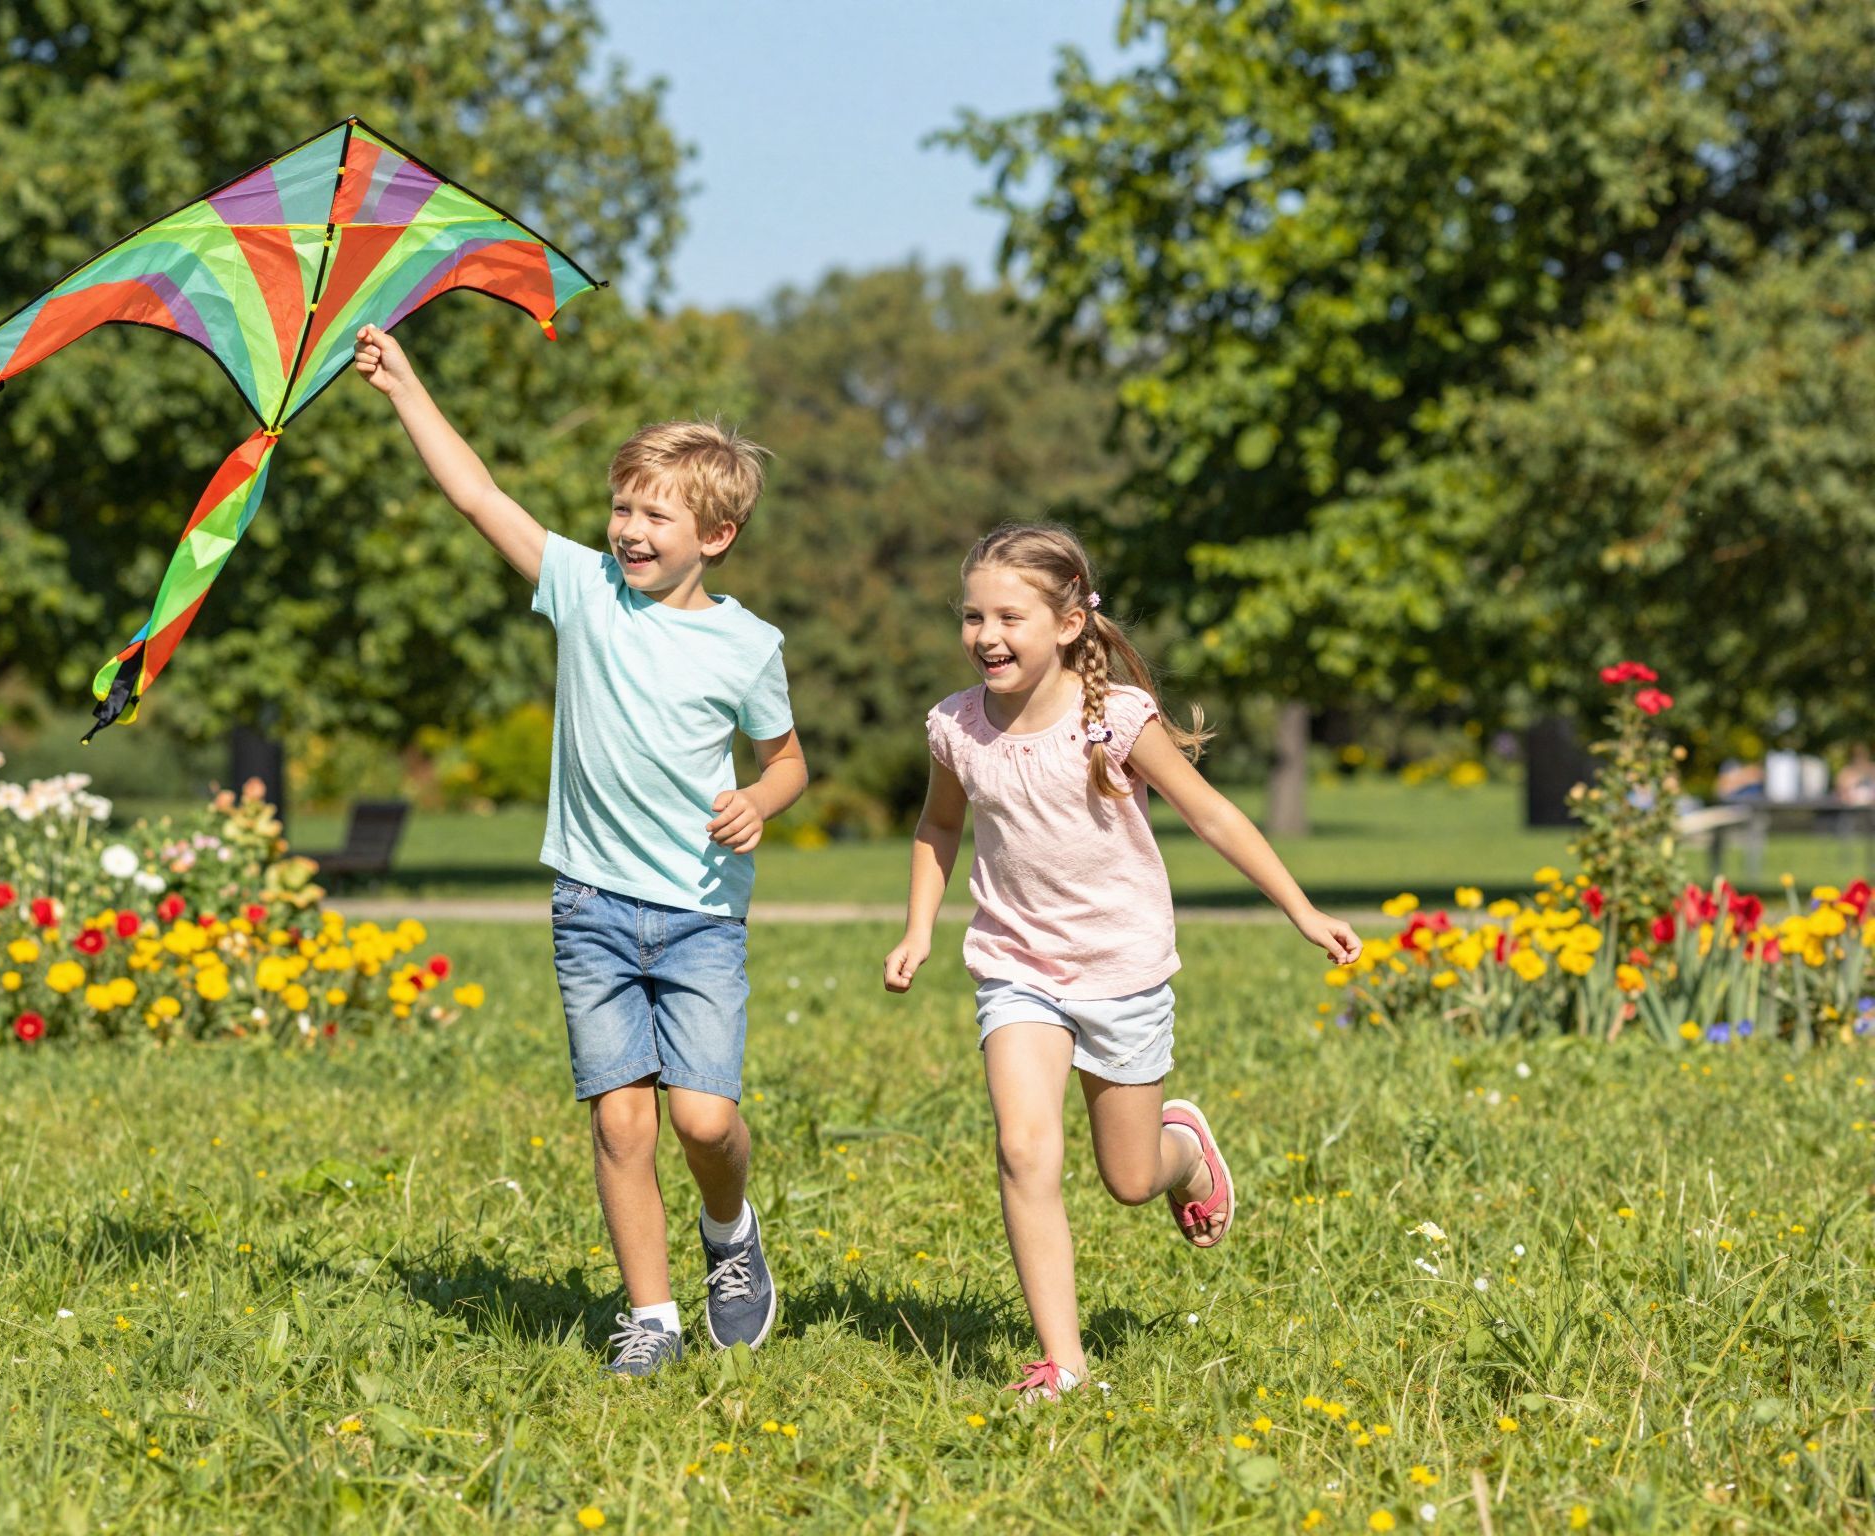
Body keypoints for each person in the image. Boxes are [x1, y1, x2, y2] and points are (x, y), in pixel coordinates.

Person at [354, 324, 808, 1377]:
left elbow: (788, 762)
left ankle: (730, 1232)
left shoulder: (747, 647)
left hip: (697, 915)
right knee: (620, 1126)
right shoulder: (581, 589)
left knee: (702, 1119)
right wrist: (407, 385)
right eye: (622, 507)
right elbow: (477, 496)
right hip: (591, 908)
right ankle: (649, 1315)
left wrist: (759, 800)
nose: (629, 528)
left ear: (719, 534)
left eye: (656, 514)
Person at [883, 522, 1359, 1401]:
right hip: (1015, 964)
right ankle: (1062, 1362)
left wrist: (1300, 908)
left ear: (1068, 623)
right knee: (1025, 1152)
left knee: (1129, 1180)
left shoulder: (1114, 718)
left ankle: (1183, 1152)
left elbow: (1213, 816)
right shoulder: (955, 727)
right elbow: (939, 826)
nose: (986, 636)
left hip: (1122, 970)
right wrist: (918, 929)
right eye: (972, 616)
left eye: (1009, 617)